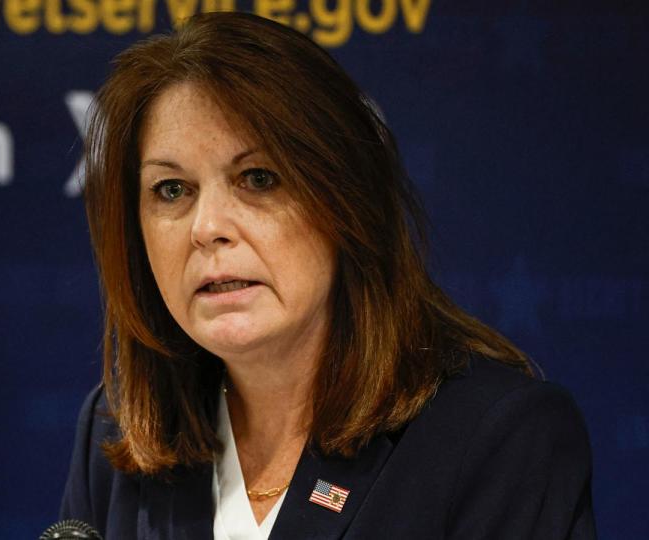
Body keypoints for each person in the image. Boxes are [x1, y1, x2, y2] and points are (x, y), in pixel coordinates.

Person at [59, 11, 595, 539]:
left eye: (258, 178)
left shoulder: (497, 438)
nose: (207, 228)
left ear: (345, 203)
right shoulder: (122, 430)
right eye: (171, 190)